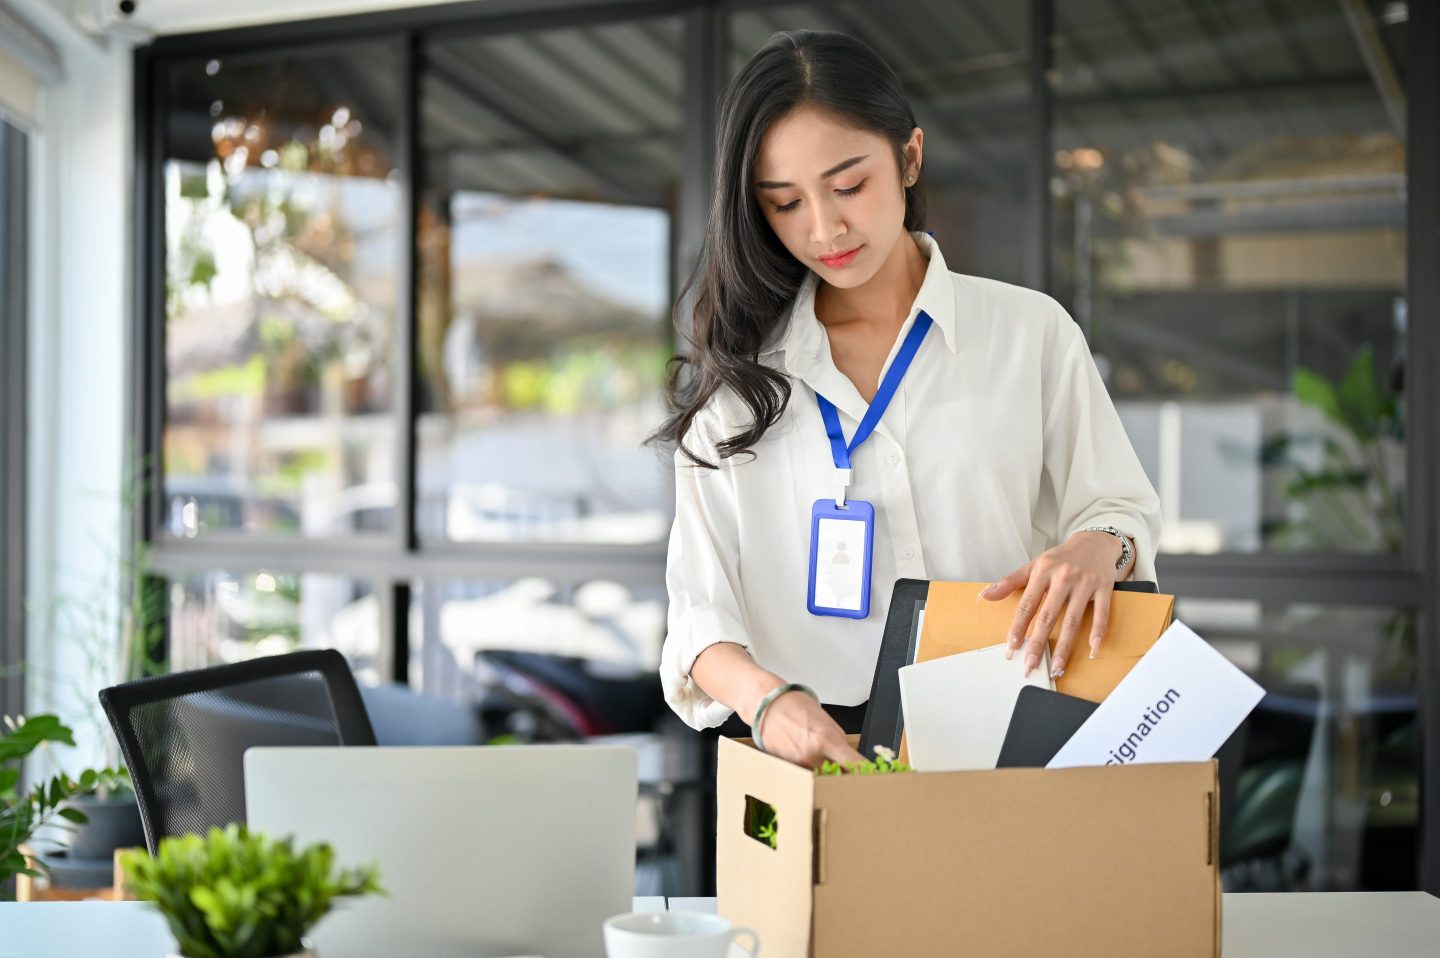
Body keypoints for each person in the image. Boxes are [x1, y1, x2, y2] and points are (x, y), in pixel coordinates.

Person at [652, 30, 1161, 772]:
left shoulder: (1030, 333)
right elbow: (697, 620)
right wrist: (767, 703)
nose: (823, 229)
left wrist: (1098, 546)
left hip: (1016, 737)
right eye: (786, 202)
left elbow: (1121, 511)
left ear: (910, 158)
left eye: (848, 186)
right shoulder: (739, 385)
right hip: (818, 752)